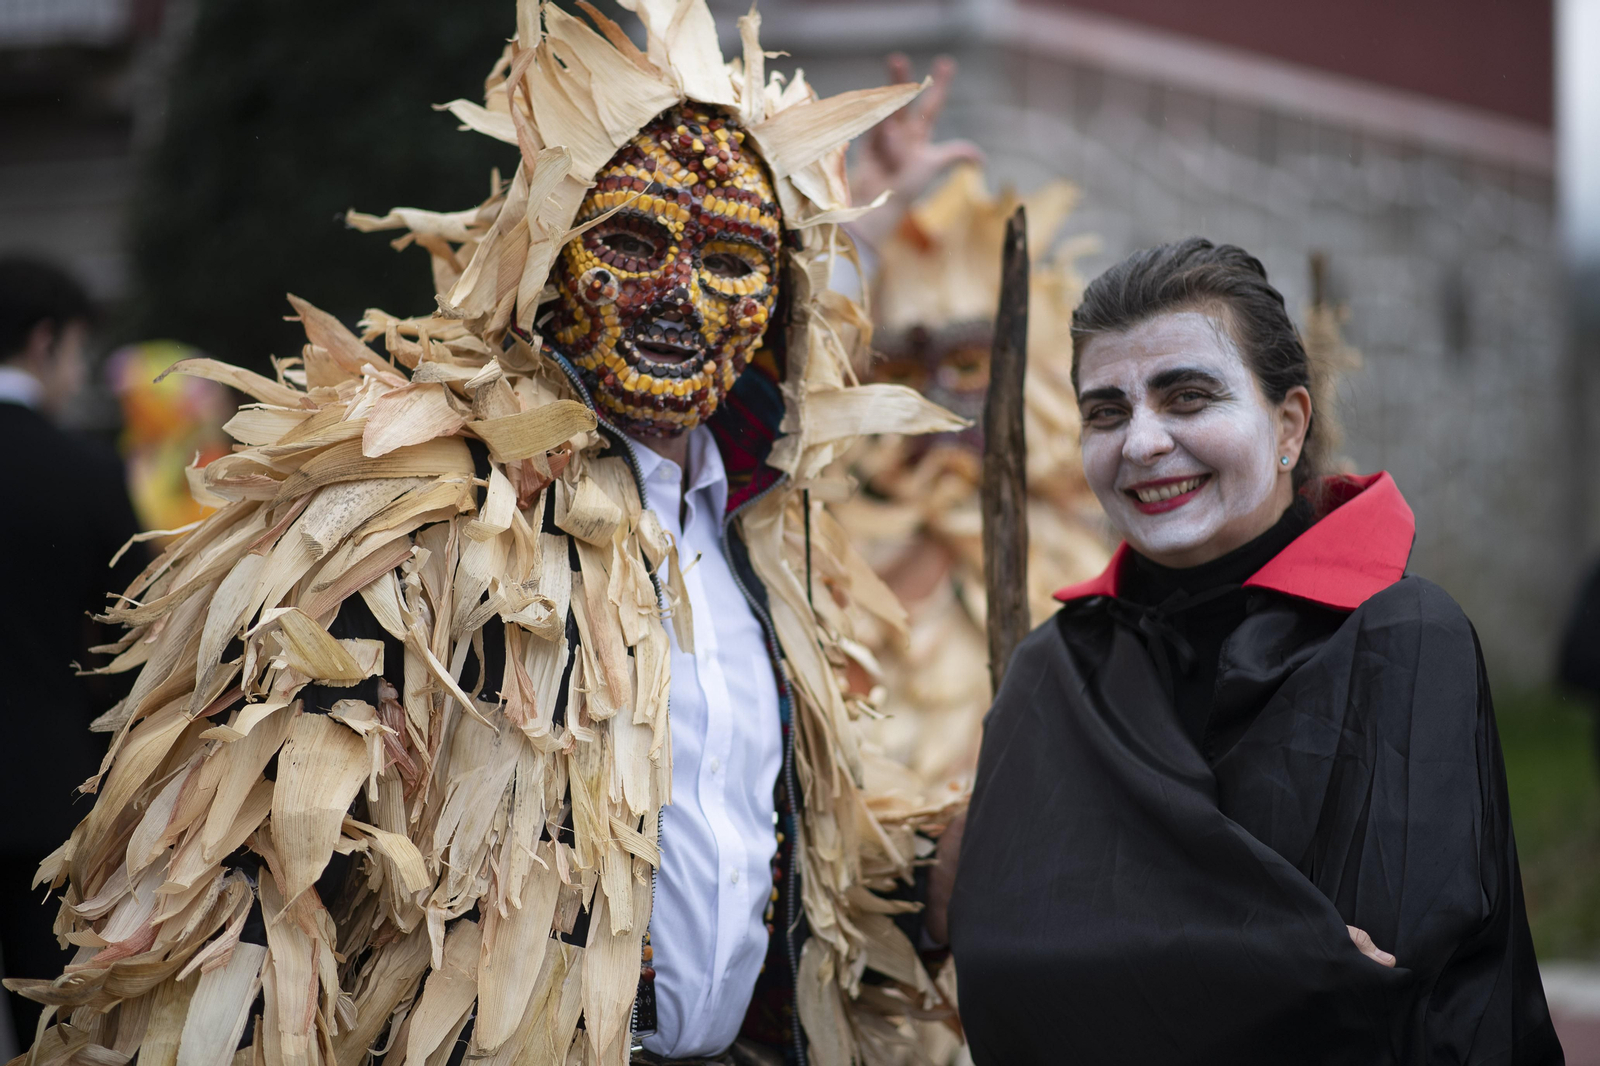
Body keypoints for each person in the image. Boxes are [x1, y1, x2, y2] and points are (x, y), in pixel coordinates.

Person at [7, 6, 966, 1065]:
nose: (674, 293)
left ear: (777, 299)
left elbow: (764, 858)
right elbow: (242, 892)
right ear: (546, 257)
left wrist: (941, 870)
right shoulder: (405, 504)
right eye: (631, 241)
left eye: (733, 258)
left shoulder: (761, 546)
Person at [943, 238, 1562, 1063]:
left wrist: (1088, 948)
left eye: (1189, 397)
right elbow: (1000, 977)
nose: (1141, 443)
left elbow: (1382, 999)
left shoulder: (1401, 638)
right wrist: (1274, 955)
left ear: (1288, 424)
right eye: (1106, 411)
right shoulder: (1053, 668)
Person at [0, 257, 143, 1039]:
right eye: (81, 351)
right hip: (46, 798)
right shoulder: (83, 472)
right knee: (52, 1034)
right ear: (46, 340)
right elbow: (135, 629)